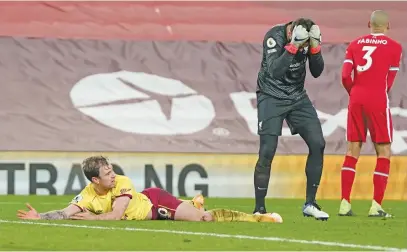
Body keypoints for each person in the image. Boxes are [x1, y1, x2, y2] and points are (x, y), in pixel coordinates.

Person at [17, 155, 282, 223]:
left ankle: (259, 217)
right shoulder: (87, 195)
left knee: (204, 219)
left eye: (111, 169)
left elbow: (117, 216)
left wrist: (94, 217)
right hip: (151, 209)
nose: (113, 174)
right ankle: (193, 203)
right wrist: (39, 216)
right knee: (196, 212)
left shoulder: (122, 183)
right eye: (106, 173)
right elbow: (66, 212)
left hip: (155, 203)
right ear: (94, 180)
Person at [253, 17, 328, 220]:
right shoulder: (274, 37)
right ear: (291, 32)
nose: (303, 45)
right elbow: (275, 71)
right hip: (271, 95)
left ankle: (310, 204)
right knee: (267, 150)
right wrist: (294, 45)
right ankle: (259, 208)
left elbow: (317, 71)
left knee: (318, 143)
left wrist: (315, 48)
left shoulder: (307, 40)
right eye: (302, 41)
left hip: (297, 97)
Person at [339, 10, 402, 218]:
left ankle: (344, 203)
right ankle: (376, 206)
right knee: (383, 151)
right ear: (388, 26)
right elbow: (389, 81)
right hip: (377, 98)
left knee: (352, 150)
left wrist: (355, 92)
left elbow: (345, 75)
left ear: (369, 24)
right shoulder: (395, 47)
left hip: (356, 98)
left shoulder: (355, 44)